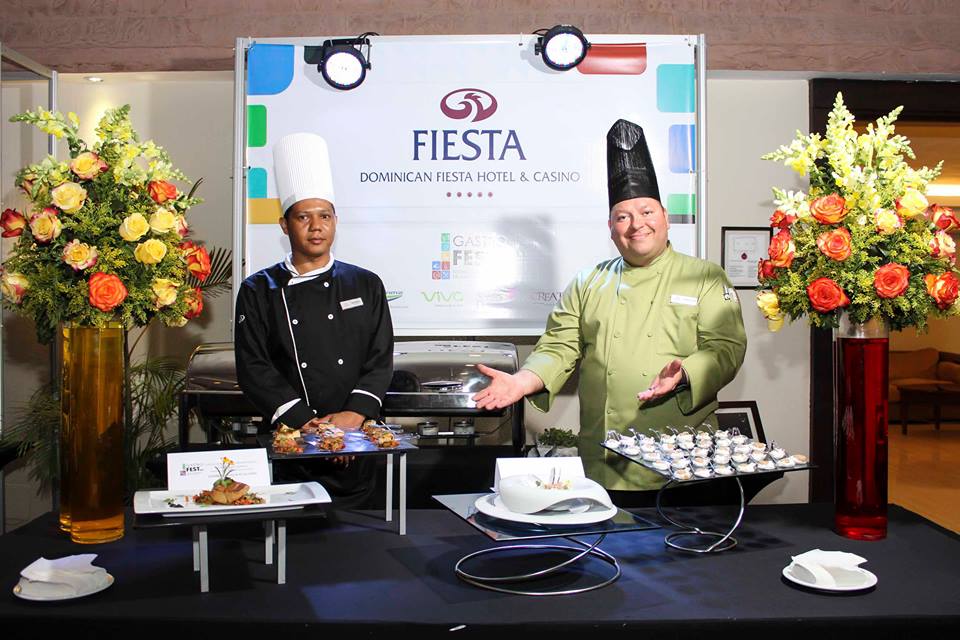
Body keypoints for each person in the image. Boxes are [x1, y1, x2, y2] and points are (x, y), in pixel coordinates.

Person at [473, 119, 746, 494]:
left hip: (682, 459)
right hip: (603, 460)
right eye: (623, 216)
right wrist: (523, 380)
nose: (637, 225)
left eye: (647, 212)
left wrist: (685, 373)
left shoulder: (705, 277)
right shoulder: (588, 281)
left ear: (666, 217)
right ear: (611, 227)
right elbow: (558, 347)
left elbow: (726, 348)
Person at [234, 132, 393, 504]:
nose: (316, 226)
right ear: (284, 224)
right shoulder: (258, 289)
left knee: (362, 533)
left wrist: (353, 417)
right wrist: (306, 421)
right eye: (303, 217)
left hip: (356, 444)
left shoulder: (366, 283)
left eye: (325, 216)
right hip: (293, 442)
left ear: (336, 221)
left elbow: (380, 356)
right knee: (294, 525)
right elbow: (254, 366)